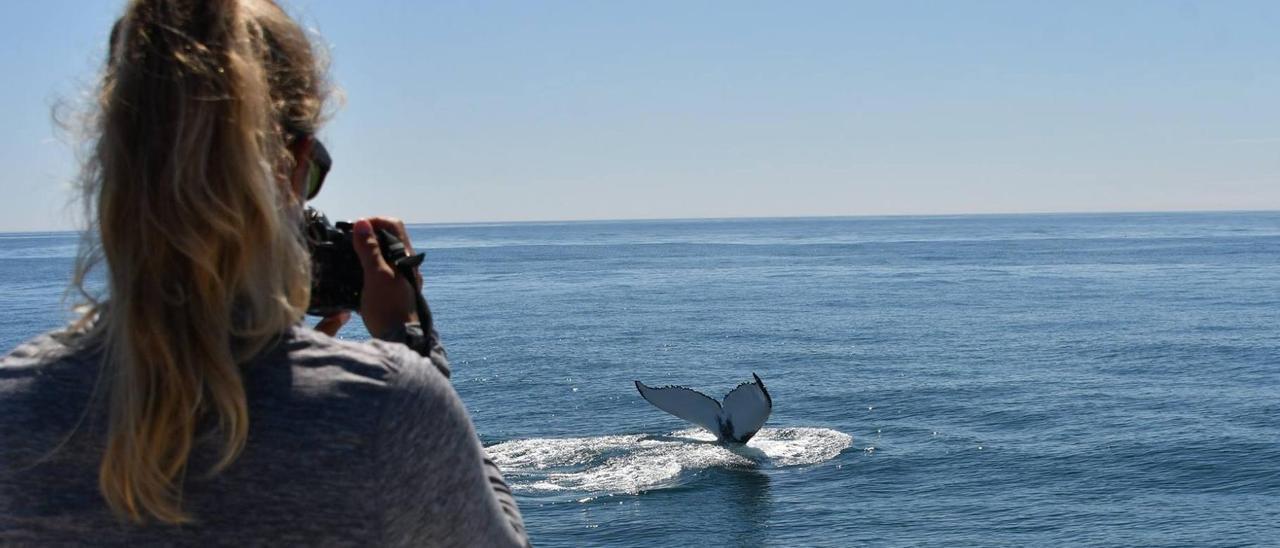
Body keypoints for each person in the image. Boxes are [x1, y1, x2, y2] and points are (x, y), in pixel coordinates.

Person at [0, 0, 530, 545]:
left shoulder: (13, 406)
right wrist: (413, 348)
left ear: (112, 162)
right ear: (293, 166)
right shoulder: (384, 408)